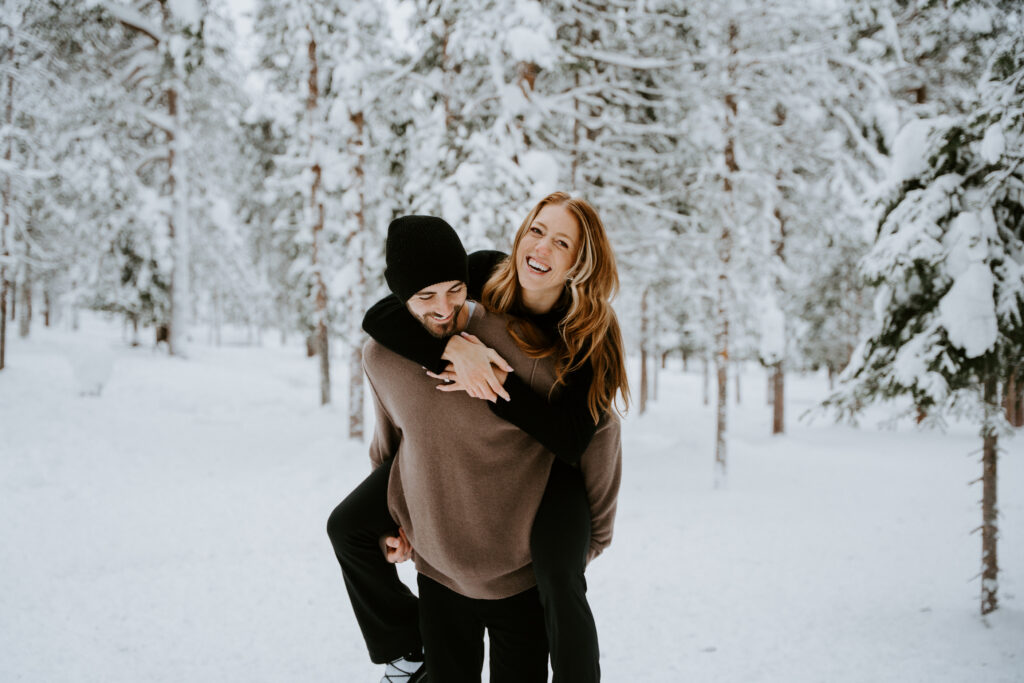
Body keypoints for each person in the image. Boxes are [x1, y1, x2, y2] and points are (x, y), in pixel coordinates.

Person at [327, 213, 623, 683]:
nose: (444, 307)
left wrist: (599, 533)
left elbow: (592, 431)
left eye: (562, 244)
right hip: (440, 568)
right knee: (345, 526)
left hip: (534, 519)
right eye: (538, 232)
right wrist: (397, 517)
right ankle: (403, 651)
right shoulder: (471, 282)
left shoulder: (574, 333)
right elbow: (392, 432)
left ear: (580, 264)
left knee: (561, 583)